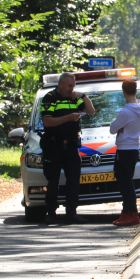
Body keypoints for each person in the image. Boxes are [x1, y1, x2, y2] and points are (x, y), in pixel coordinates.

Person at [41, 72, 95, 224]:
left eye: (74, 86)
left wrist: (83, 96)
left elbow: (91, 111)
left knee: (73, 179)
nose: (72, 89)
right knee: (53, 180)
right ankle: (51, 213)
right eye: (70, 86)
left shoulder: (74, 98)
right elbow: (47, 122)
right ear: (61, 85)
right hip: (54, 146)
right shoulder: (50, 98)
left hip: (71, 145)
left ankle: (71, 212)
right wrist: (68, 117)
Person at [109, 79, 140, 227]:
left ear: (123, 93)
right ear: (136, 91)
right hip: (134, 149)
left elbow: (112, 129)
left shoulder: (125, 113)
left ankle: (132, 212)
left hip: (124, 150)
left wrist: (120, 127)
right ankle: (126, 212)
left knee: (125, 183)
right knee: (126, 181)